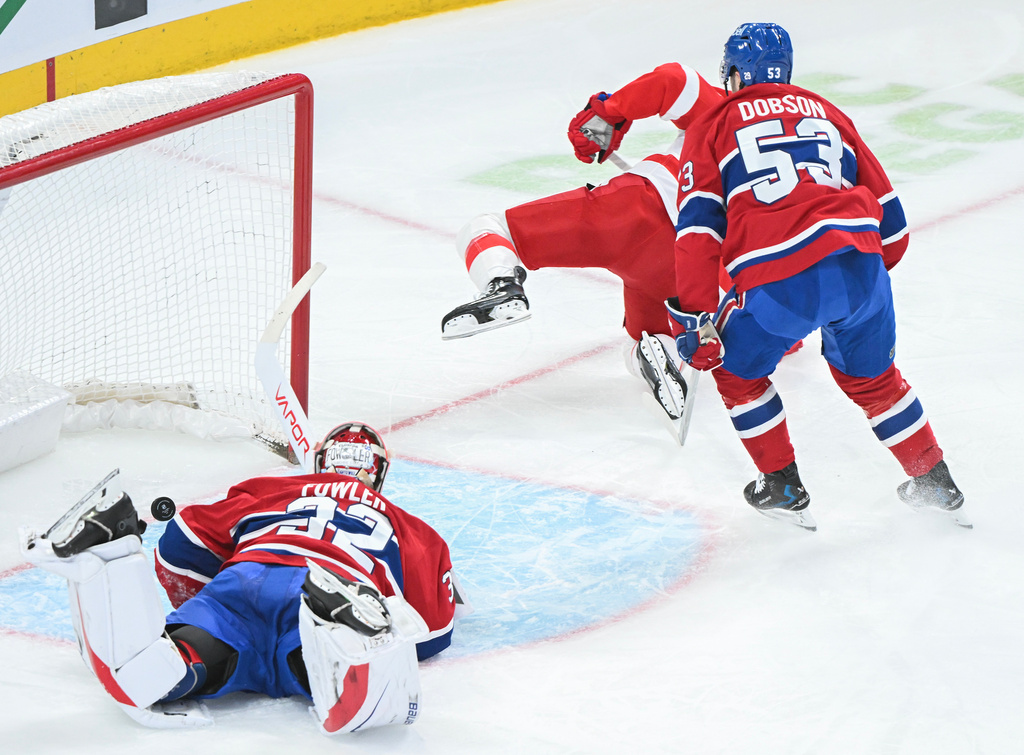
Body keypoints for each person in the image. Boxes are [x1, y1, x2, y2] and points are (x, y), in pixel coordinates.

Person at [665, 23, 968, 530]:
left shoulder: (714, 122)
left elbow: (697, 227)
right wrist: (860, 281)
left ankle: (782, 484)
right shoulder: (828, 112)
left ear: (735, 74)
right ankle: (935, 480)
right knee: (875, 380)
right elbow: (892, 224)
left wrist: (696, 319)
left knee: (738, 373)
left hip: (778, 275)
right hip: (860, 264)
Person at [19, 422, 467, 733]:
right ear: (379, 473)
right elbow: (431, 634)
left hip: (242, 583)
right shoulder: (413, 528)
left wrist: (212, 600)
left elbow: (179, 545)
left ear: (319, 462)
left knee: (157, 676)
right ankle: (344, 624)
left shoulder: (271, 489)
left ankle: (112, 553)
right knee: (359, 693)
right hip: (320, 598)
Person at [440, 62, 729, 440]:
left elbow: (674, 81)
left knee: (487, 228)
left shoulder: (733, 107)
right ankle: (659, 353)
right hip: (689, 269)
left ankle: (501, 286)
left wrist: (606, 115)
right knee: (644, 336)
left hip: (638, 212)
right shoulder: (803, 162)